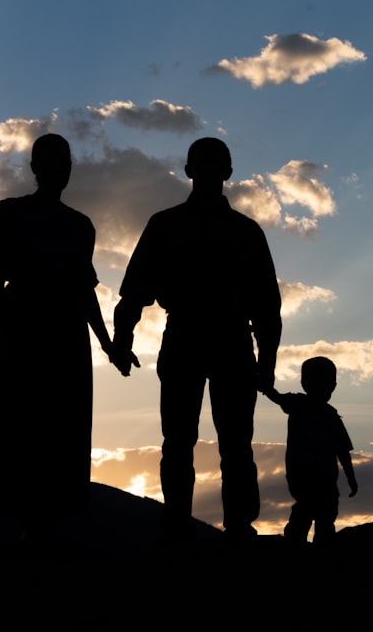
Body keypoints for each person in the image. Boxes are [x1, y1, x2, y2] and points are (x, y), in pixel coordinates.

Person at [111, 137, 282, 541]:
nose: (206, 171)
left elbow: (266, 304)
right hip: (190, 337)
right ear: (190, 170)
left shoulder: (241, 231)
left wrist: (268, 360)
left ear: (226, 172)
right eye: (201, 164)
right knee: (182, 440)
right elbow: (134, 290)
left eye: (213, 164)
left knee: (234, 442)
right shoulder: (168, 225)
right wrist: (122, 337)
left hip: (228, 341)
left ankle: (235, 527)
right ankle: (180, 526)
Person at [0, 133, 116, 541]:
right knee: (20, 428)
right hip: (20, 330)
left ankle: (50, 524)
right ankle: (27, 525)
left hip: (67, 337)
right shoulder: (7, 214)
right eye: (53, 161)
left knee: (63, 429)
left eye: (66, 162)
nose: (62, 169)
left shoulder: (80, 225)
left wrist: (108, 344)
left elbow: (84, 290)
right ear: (36, 168)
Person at [264, 356, 358, 547]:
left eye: (326, 383)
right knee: (306, 508)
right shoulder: (298, 403)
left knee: (327, 512)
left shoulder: (333, 417)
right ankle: (295, 541)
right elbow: (276, 397)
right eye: (318, 382)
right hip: (302, 474)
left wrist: (351, 478)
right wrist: (265, 386)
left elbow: (343, 452)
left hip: (326, 477)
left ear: (333, 385)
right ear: (305, 383)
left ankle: (320, 544)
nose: (323, 387)